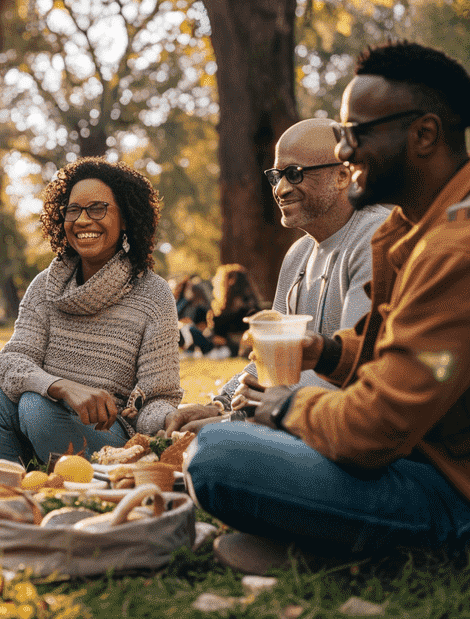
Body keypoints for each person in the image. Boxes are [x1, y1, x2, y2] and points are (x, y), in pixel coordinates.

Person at [183, 41, 470, 573]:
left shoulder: (454, 248)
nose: (345, 151)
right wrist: (327, 350)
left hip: (451, 495)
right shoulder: (416, 228)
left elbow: (375, 427)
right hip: (415, 457)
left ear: (424, 135)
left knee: (219, 457)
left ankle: (403, 554)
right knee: (228, 446)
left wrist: (283, 408)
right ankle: (321, 549)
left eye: (355, 134)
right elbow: (397, 347)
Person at [0, 157, 182, 464]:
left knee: (35, 408)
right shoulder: (46, 287)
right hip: (35, 415)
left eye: (97, 208)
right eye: (73, 210)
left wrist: (165, 420)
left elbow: (158, 398)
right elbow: (9, 363)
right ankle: (14, 491)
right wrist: (62, 387)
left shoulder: (153, 295)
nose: (82, 220)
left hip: (107, 437)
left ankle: (80, 483)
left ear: (126, 218)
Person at [178, 118, 389, 424]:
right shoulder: (297, 255)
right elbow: (267, 361)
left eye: (295, 174)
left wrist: (244, 415)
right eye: (276, 175)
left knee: (216, 447)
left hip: (348, 429)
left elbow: (352, 368)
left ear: (343, 175)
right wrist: (220, 404)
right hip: (295, 417)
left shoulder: (374, 237)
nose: (280, 189)